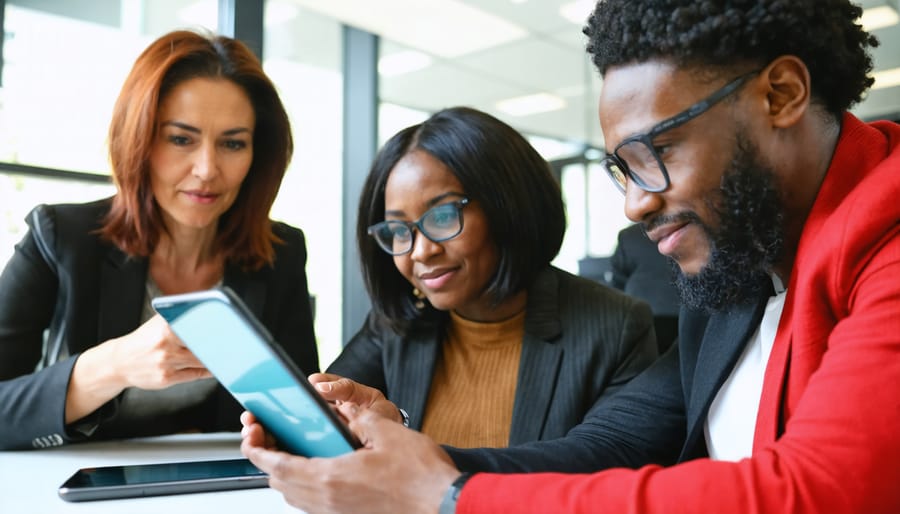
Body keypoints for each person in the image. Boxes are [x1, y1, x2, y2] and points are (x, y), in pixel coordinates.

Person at [240, 0, 900, 512]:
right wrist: (415, 464)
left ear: (781, 93)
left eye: (657, 155)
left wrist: (446, 499)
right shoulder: (738, 275)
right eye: (621, 171)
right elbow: (603, 449)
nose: (634, 207)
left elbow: (820, 494)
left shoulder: (884, 238)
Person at [0, 29, 319, 450]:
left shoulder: (281, 252)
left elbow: (297, 417)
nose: (207, 169)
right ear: (141, 141)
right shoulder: (59, 235)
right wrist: (113, 364)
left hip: (211, 487)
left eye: (233, 143)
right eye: (181, 139)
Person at [317, 106, 657, 448]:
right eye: (398, 229)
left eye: (443, 215)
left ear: (507, 206)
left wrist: (405, 447)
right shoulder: (394, 326)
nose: (420, 252)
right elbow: (322, 424)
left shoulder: (616, 326)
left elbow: (598, 469)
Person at [609, 222, 680, 353]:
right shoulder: (685, 228)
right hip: (682, 315)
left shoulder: (629, 235)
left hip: (639, 317)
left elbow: (617, 284)